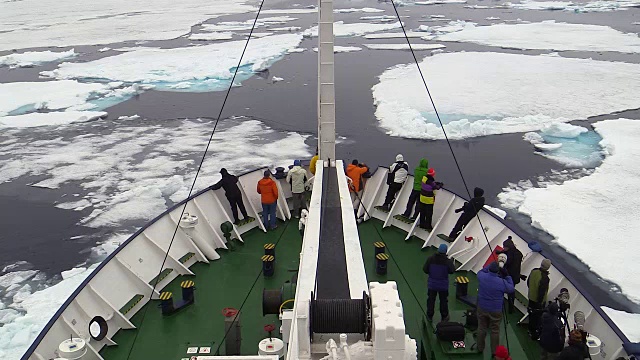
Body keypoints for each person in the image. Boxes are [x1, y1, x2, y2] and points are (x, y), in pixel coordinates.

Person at [476, 262, 515, 354]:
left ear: (489, 269)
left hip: (482, 307)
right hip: (495, 310)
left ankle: (480, 347)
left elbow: (481, 271)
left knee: (482, 327)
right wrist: (507, 276)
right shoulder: (502, 282)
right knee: (495, 330)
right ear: (498, 271)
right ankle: (494, 352)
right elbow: (511, 289)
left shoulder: (482, 277)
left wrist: (490, 266)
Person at [422, 243, 455, 322]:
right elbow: (452, 271)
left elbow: (425, 270)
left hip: (432, 285)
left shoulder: (430, 259)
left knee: (431, 300)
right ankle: (444, 316)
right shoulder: (447, 261)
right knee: (443, 301)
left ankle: (429, 316)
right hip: (443, 286)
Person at [497, 236, 523, 313]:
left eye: (504, 247)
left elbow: (507, 262)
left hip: (508, 276)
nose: (503, 248)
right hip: (515, 277)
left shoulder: (510, 255)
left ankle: (498, 304)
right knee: (511, 292)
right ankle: (511, 309)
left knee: (501, 289)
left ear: (508, 247)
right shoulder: (518, 253)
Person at [527, 259, 551, 340]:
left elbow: (528, 282)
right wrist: (540, 303)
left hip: (531, 297)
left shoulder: (534, 271)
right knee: (536, 318)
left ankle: (530, 330)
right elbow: (542, 292)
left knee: (531, 314)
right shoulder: (545, 278)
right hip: (538, 302)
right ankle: (534, 334)